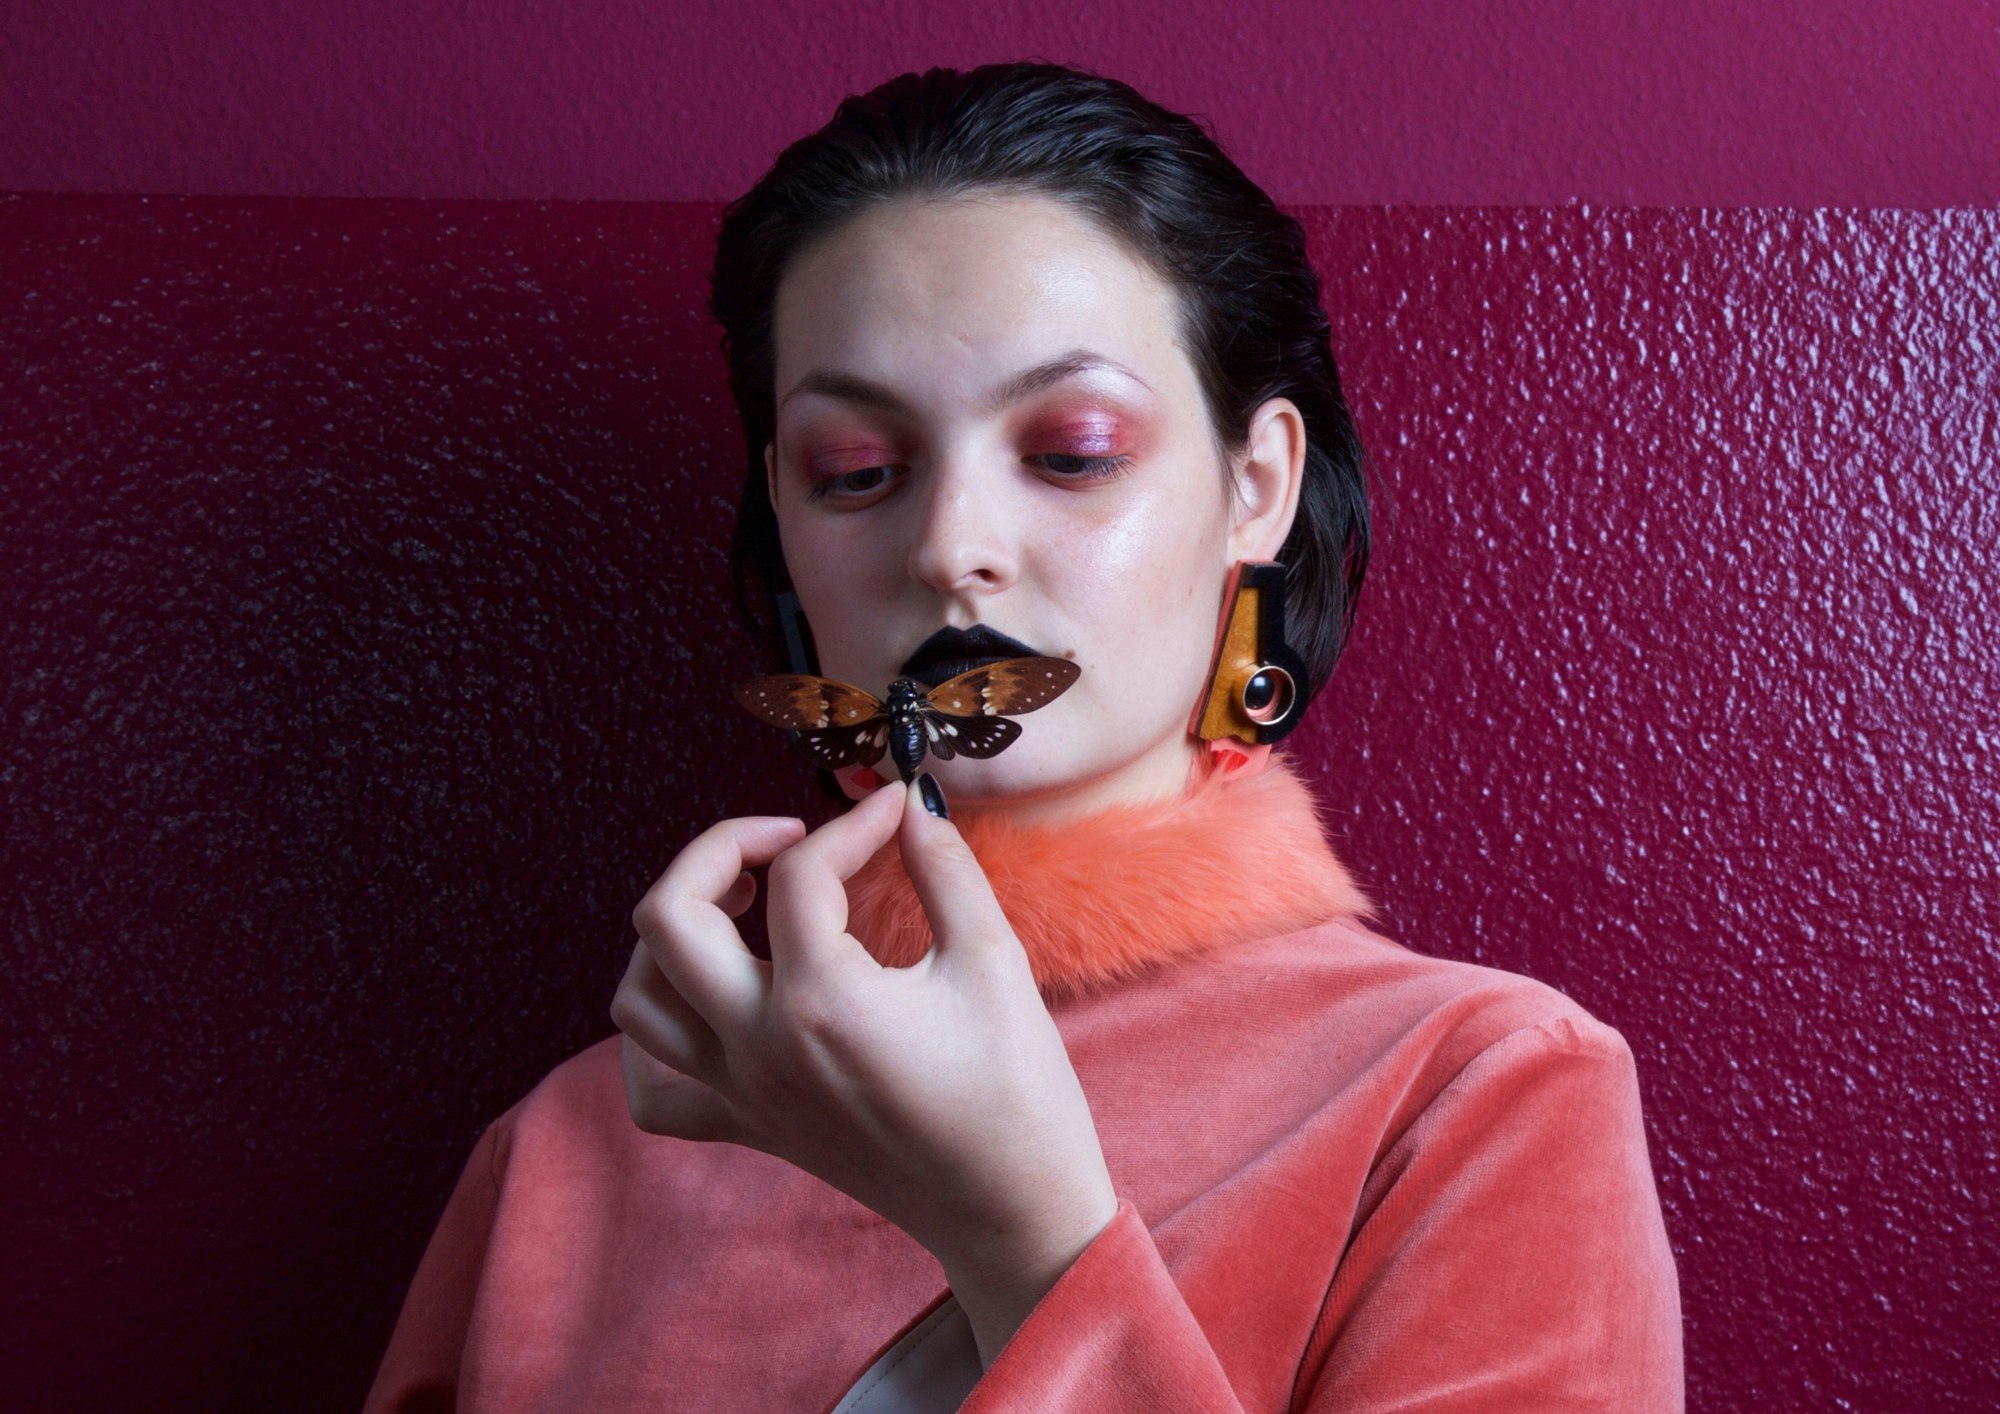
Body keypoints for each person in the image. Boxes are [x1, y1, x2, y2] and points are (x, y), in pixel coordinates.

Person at [364, 61, 1683, 1412]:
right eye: (857, 472)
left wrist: (1024, 1244)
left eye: (1074, 451)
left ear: (1256, 485)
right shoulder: (573, 1145)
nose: (950, 549)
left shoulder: (1472, 1093)